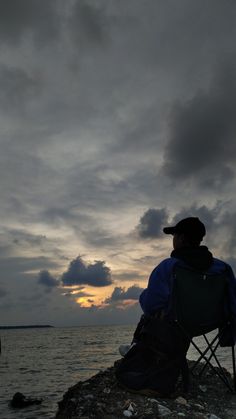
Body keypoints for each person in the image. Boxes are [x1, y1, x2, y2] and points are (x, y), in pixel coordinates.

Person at [116, 217, 236, 395]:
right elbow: (232, 303)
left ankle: (144, 362)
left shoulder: (169, 267)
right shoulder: (223, 269)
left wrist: (143, 295)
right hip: (210, 323)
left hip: (177, 326)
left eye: (174, 235)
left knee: (150, 315)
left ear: (180, 239)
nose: (173, 240)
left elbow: (151, 306)